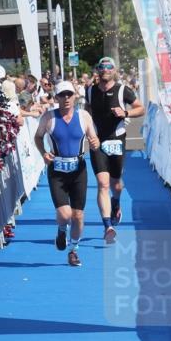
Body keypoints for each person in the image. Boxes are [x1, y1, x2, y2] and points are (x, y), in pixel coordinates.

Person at [33, 80, 100, 267]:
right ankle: (62, 230)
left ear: (75, 96)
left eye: (69, 94)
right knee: (65, 214)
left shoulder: (84, 116)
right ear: (56, 97)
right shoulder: (49, 118)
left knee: (78, 215)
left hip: (78, 170)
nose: (66, 98)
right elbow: (38, 137)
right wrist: (43, 152)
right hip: (57, 171)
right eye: (62, 95)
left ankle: (73, 251)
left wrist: (95, 143)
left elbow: (93, 138)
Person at [84, 56, 144, 243]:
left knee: (116, 184)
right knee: (102, 183)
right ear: (98, 70)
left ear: (114, 70)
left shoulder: (123, 90)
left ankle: (116, 202)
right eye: (102, 67)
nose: (105, 70)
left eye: (109, 67)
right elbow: (87, 110)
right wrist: (87, 129)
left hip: (117, 139)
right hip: (97, 140)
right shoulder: (90, 90)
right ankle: (107, 226)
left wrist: (125, 113)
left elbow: (140, 108)